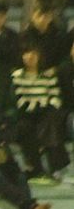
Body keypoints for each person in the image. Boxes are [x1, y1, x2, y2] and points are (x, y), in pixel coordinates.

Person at [10, 45, 68, 181]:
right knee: (27, 127)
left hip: (46, 114)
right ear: (22, 56)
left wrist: (46, 106)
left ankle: (39, 169)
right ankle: (53, 167)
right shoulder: (17, 76)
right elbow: (20, 100)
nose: (30, 57)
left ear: (39, 57)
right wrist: (40, 106)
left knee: (50, 120)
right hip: (27, 115)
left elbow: (55, 96)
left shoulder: (48, 75)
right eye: (27, 53)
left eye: (34, 54)